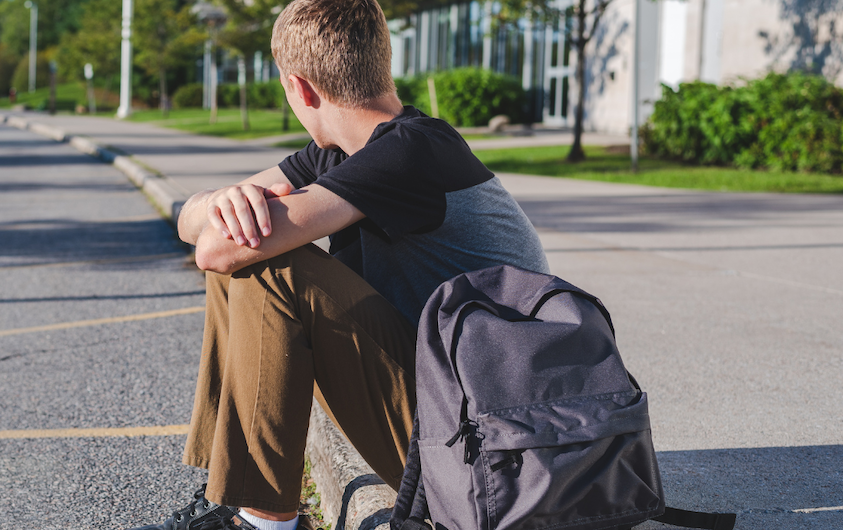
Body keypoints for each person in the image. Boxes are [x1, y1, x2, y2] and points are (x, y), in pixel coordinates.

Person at [129, 1, 549, 529]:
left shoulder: (411, 152)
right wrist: (219, 199)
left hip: (491, 455)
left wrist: (224, 220)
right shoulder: (344, 151)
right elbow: (202, 230)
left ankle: (265, 522)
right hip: (459, 425)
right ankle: (237, 498)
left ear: (299, 89)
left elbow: (217, 248)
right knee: (246, 249)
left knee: (270, 266)